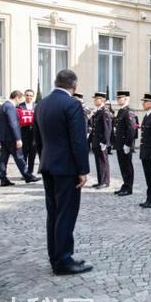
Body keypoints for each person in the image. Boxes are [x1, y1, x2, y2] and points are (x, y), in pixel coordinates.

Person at [33, 69, 92, 275]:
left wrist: (44, 160)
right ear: (74, 85)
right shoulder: (72, 104)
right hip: (67, 168)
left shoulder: (41, 104)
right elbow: (78, 140)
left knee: (54, 213)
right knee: (66, 213)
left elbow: (38, 139)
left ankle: (54, 257)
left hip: (48, 165)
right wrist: (82, 170)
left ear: (56, 82)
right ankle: (64, 260)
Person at [0, 90, 40, 186]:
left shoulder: (3, 105)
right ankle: (28, 176)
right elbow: (14, 124)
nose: (19, 101)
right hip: (11, 137)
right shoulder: (10, 107)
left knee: (3, 158)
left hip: (3, 137)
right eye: (19, 99)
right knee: (19, 157)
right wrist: (18, 138)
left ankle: (3, 178)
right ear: (16, 97)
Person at [113, 90, 137, 196]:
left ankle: (129, 187)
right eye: (118, 98)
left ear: (126, 99)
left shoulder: (128, 111)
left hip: (125, 145)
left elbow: (131, 129)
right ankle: (125, 185)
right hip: (120, 144)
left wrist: (128, 144)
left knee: (127, 166)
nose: (118, 99)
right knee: (122, 166)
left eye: (120, 98)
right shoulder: (121, 111)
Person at [90, 92, 112, 189]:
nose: (95, 100)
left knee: (103, 161)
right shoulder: (98, 111)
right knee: (98, 161)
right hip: (96, 141)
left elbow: (107, 128)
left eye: (97, 99)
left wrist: (104, 142)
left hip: (101, 141)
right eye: (95, 99)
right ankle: (100, 181)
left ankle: (105, 181)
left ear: (102, 100)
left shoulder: (105, 112)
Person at [18, 89, 37, 176]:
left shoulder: (36, 106)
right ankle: (24, 172)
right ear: (25, 96)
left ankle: (30, 171)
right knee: (24, 152)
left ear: (33, 96)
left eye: (30, 95)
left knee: (32, 152)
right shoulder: (20, 106)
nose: (29, 97)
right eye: (27, 95)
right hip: (24, 131)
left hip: (34, 132)